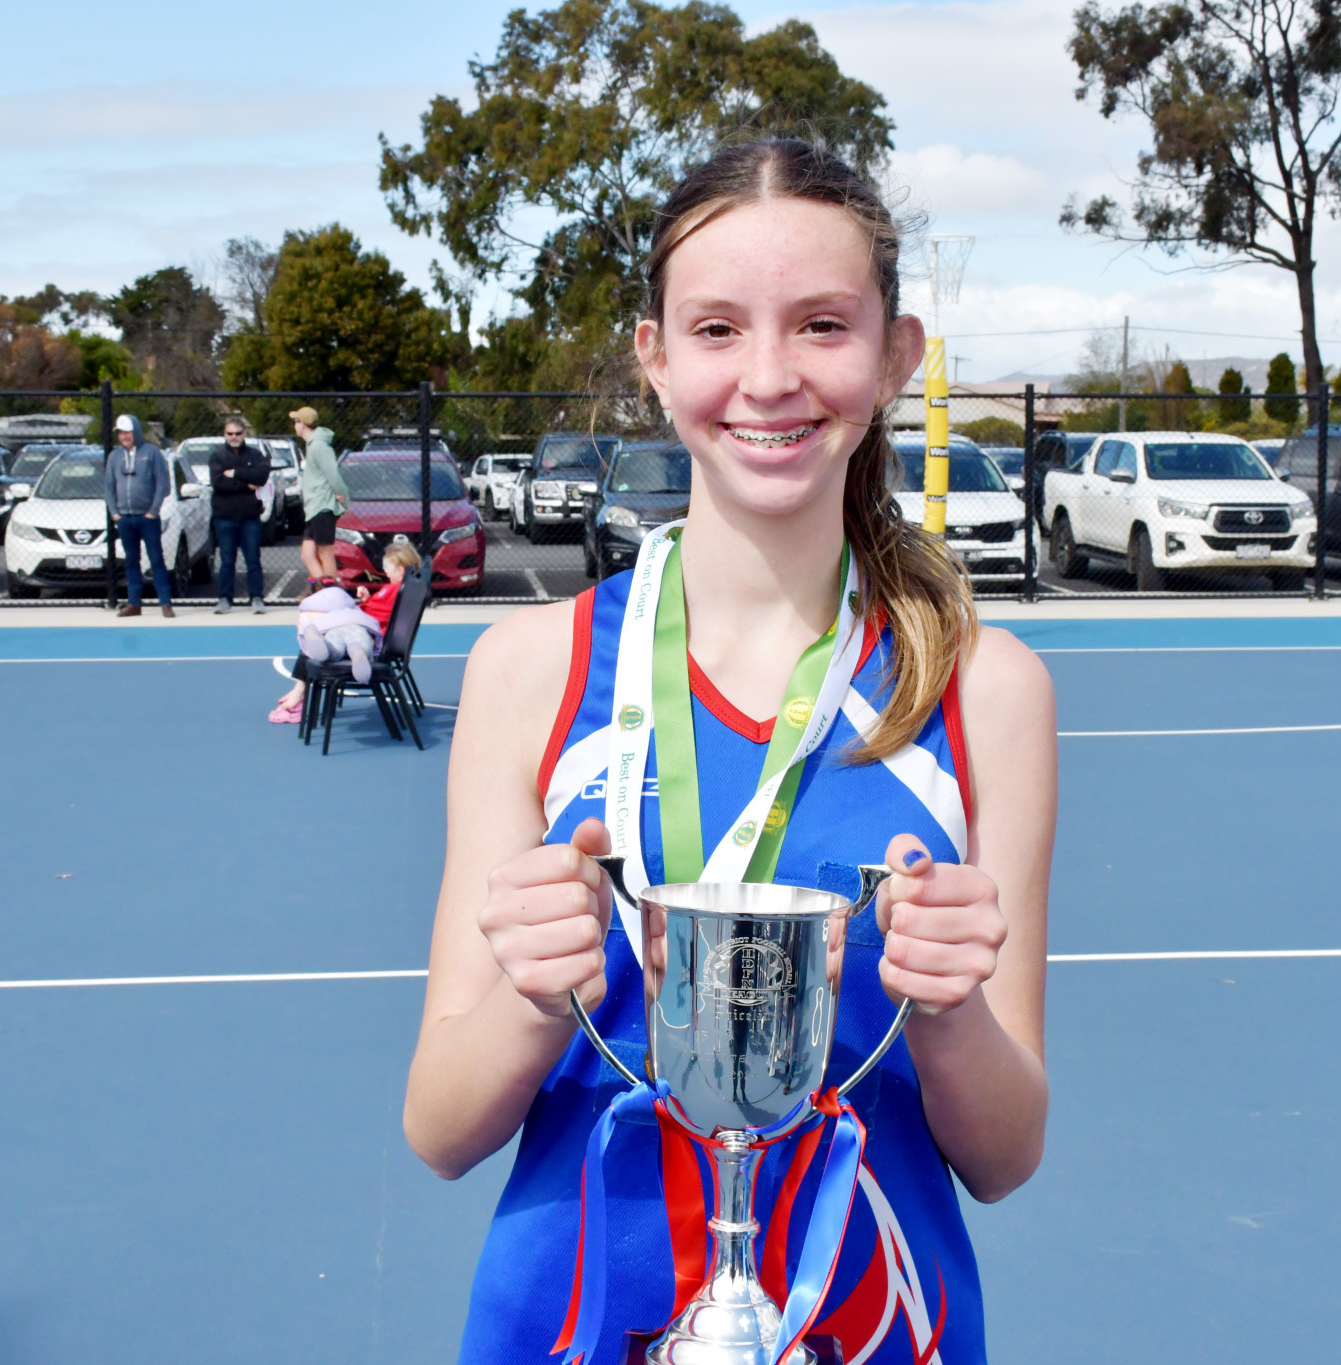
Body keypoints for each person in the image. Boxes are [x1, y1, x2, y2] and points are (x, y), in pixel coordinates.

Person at [406, 140, 1056, 1363]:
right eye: (715, 329)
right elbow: (439, 1124)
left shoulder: (986, 690)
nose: (768, 378)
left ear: (894, 355)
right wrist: (538, 1004)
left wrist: (953, 1014)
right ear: (652, 357)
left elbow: (1005, 1157)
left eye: (821, 325)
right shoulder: (527, 673)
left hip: (875, 1329)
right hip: (574, 1326)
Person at [270, 541, 420, 723]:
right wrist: (367, 599)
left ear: (400, 571)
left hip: (370, 639)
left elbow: (375, 615)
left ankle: (298, 695)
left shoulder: (394, 590)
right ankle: (299, 693)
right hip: (369, 634)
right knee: (320, 642)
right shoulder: (401, 589)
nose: (385, 572)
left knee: (312, 648)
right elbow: (380, 610)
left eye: (388, 568)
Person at [103, 413, 173, 618]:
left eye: (128, 432)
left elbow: (163, 484)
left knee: (156, 559)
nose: (124, 436)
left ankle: (165, 602)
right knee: (131, 560)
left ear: (136, 432)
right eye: (121, 433)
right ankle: (134, 603)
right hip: (125, 518)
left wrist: (154, 510)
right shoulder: (114, 456)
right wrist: (115, 513)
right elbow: (108, 486)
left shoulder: (152, 453)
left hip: (147, 518)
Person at [209, 416, 270, 614]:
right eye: (230, 433)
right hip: (224, 517)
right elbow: (219, 483)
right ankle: (225, 599)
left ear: (244, 434)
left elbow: (261, 477)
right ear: (224, 434)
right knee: (227, 561)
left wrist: (234, 473)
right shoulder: (217, 456)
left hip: (250, 517)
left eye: (238, 433)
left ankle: (257, 598)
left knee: (253, 559)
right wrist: (246, 482)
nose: (234, 437)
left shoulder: (255, 454)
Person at [291, 406, 349, 596]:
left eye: (296, 422)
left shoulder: (320, 447)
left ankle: (333, 594)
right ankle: (324, 590)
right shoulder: (312, 445)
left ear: (303, 424)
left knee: (325, 552)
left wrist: (342, 496)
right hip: (314, 508)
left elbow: (333, 474)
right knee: (307, 554)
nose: (295, 426)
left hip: (323, 507)